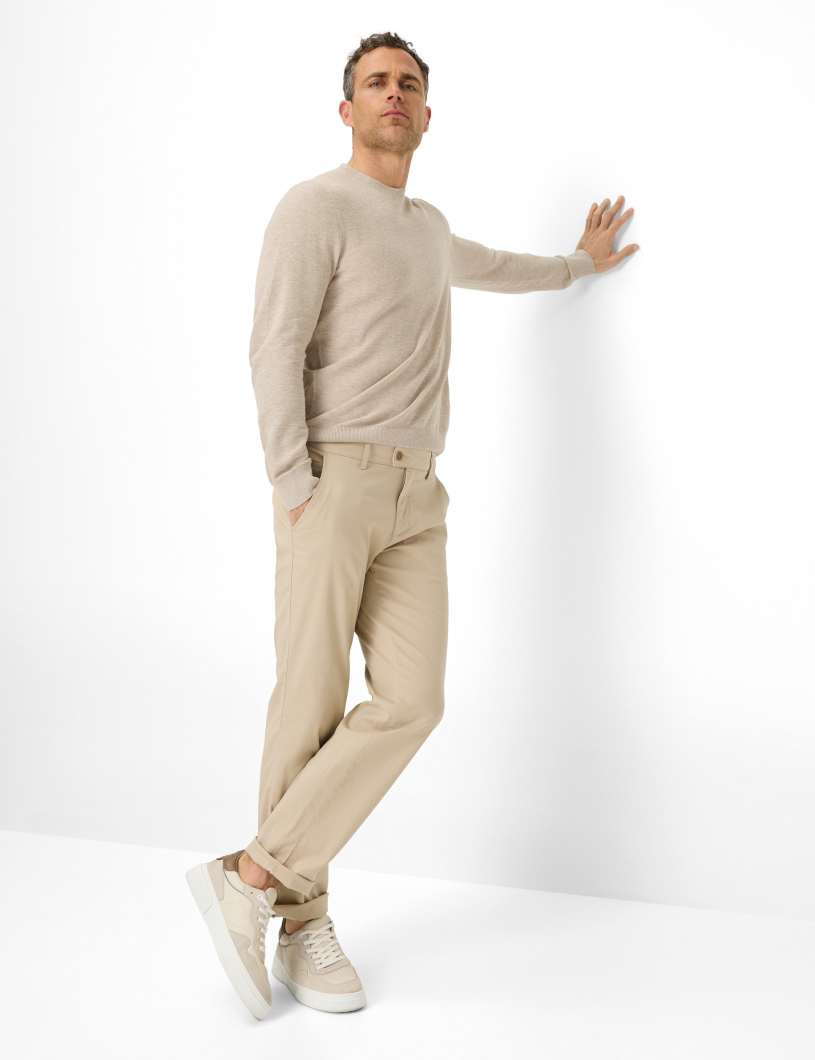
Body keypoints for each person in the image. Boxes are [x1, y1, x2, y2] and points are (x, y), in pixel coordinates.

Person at [186, 29, 639, 1020]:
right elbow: (273, 346)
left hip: (417, 496)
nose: (392, 94)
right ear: (346, 109)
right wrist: (293, 482)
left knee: (411, 701)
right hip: (331, 480)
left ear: (427, 115)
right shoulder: (314, 206)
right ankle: (302, 921)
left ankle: (254, 876)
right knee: (308, 703)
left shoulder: (427, 228)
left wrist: (579, 261)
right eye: (375, 82)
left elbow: (499, 266)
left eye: (408, 84)